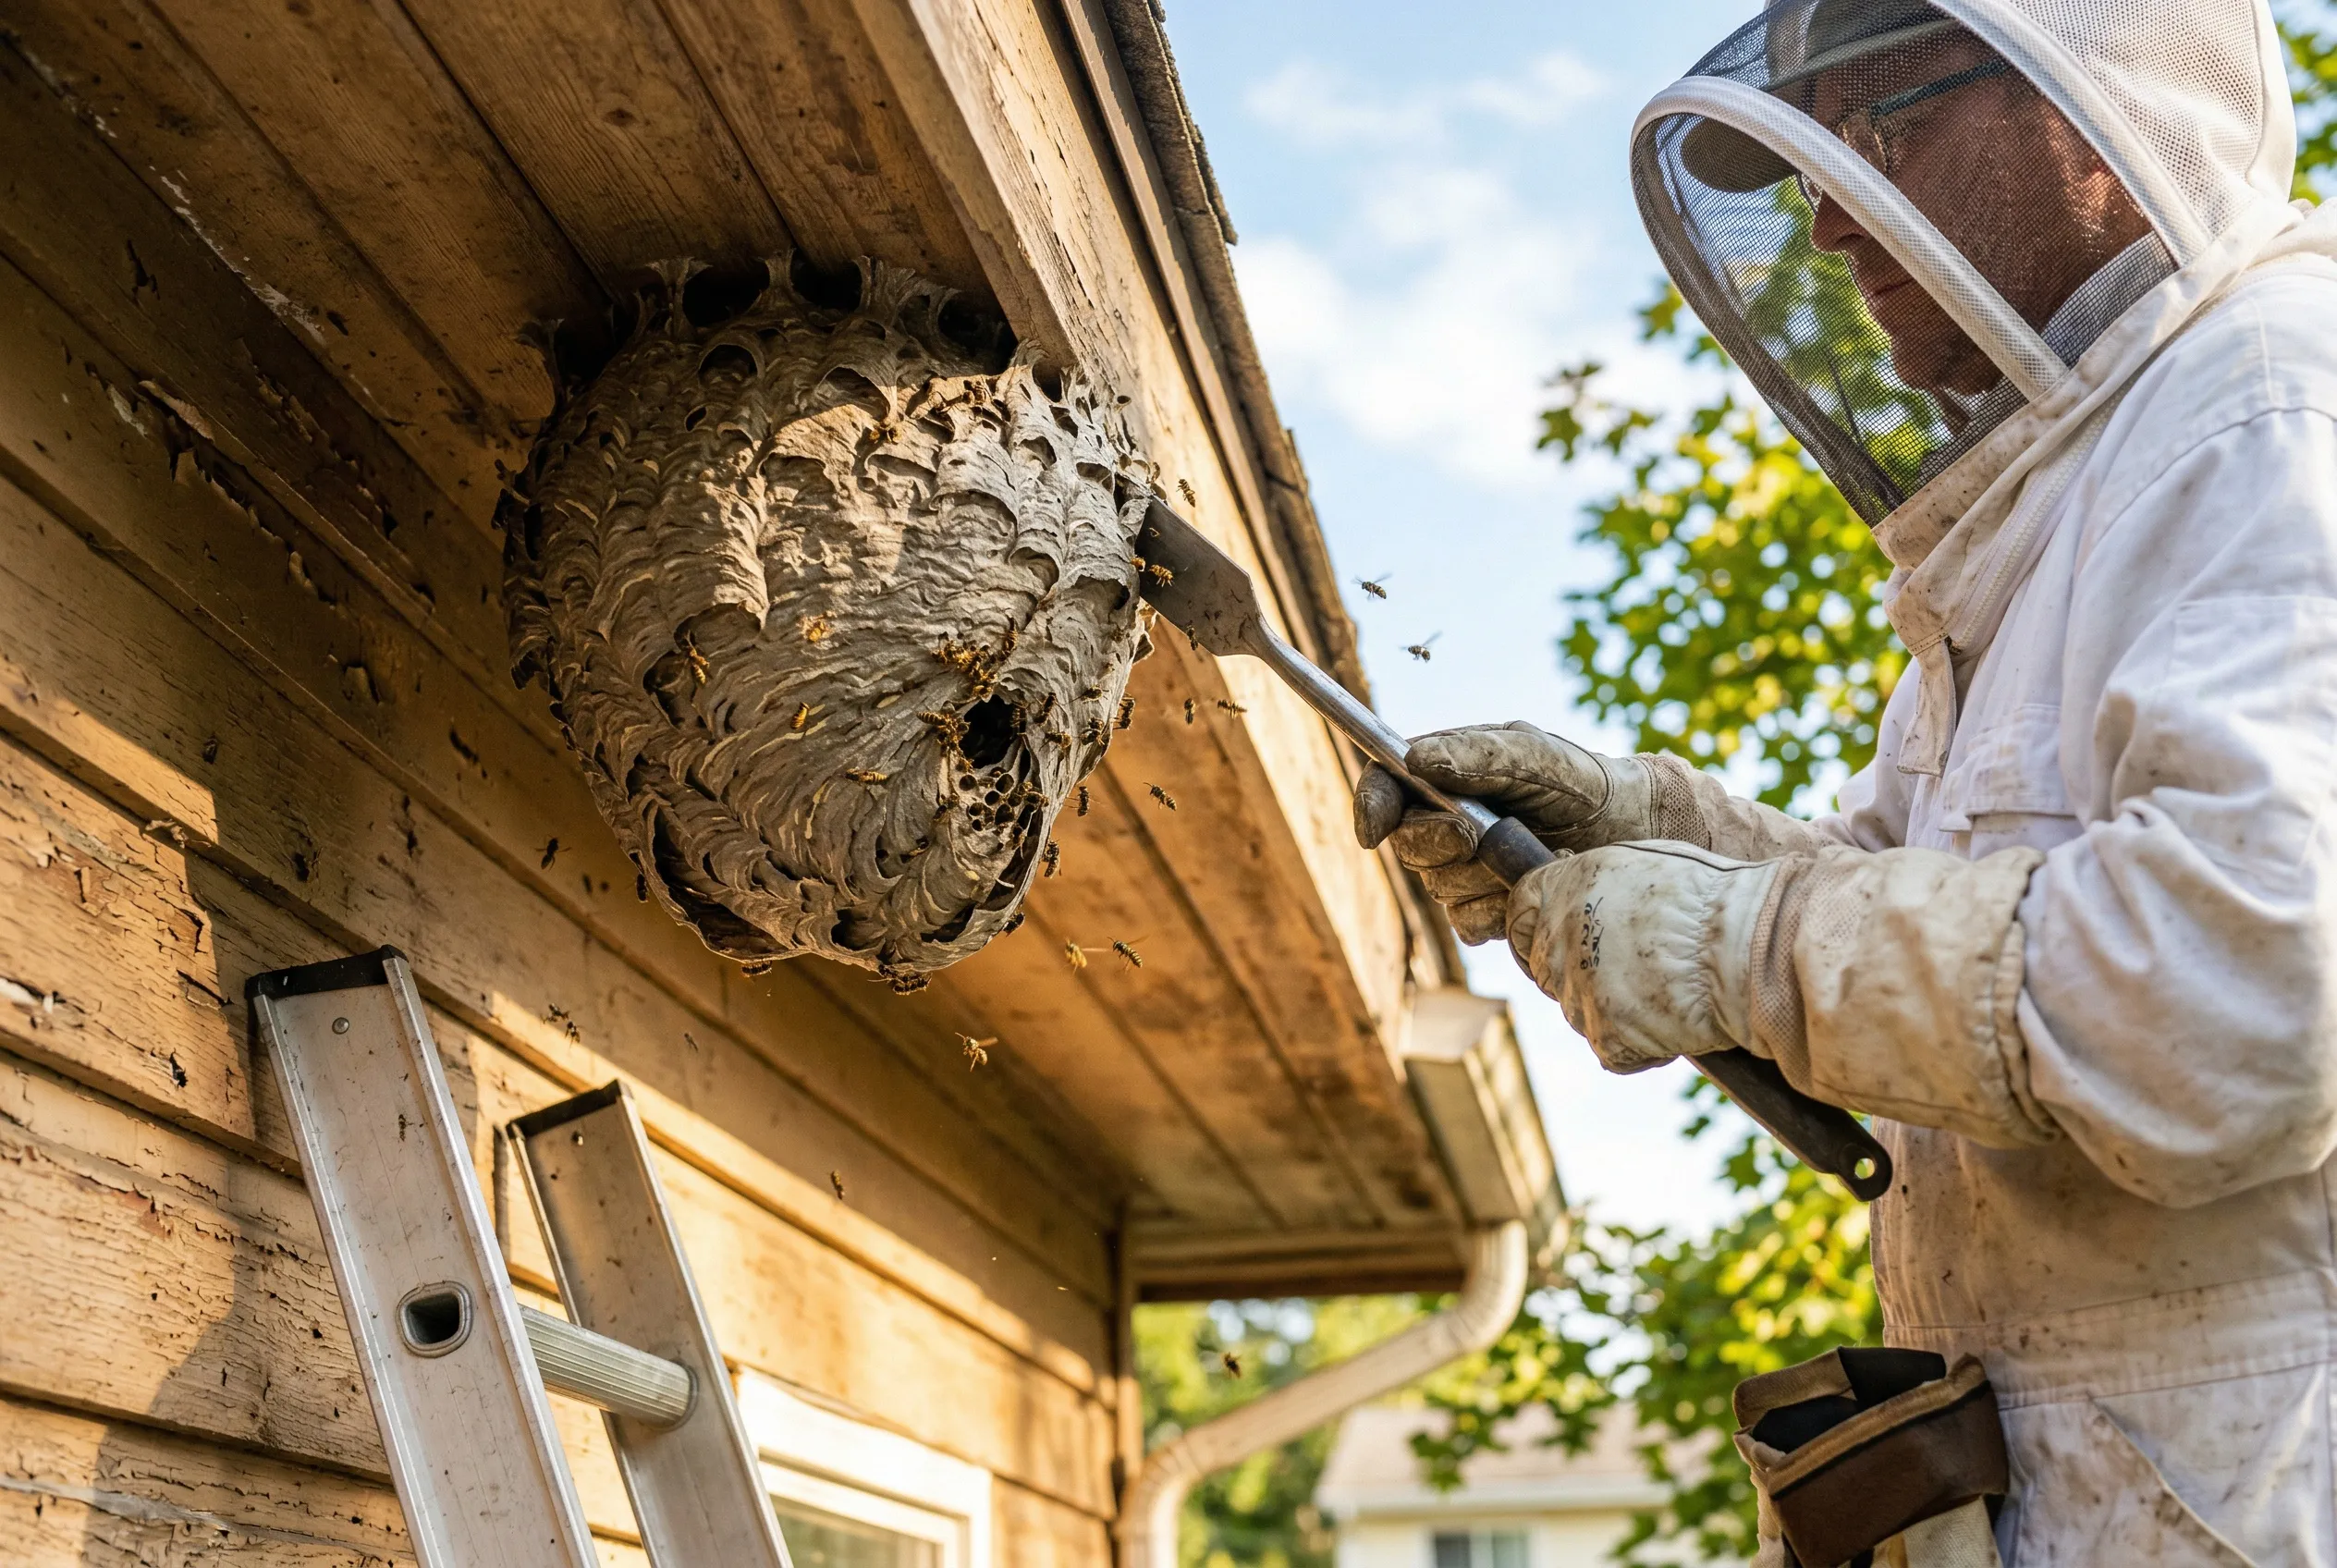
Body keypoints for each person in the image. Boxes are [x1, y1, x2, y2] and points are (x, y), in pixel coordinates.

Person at [1357, 0, 2337, 1560]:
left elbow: (2245, 996)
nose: (1825, 221)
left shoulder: (2270, 410)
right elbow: (1909, 914)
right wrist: (1653, 833)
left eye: (1884, 128)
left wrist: (1728, 944)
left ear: (2087, 117)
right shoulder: (2048, 518)